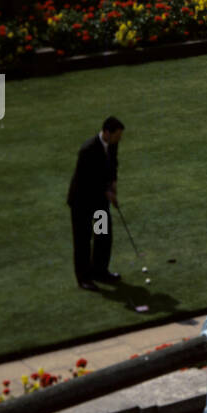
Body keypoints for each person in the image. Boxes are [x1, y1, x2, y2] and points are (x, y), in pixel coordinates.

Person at [67, 116, 125, 291]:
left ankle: (100, 271)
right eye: (117, 135)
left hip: (99, 202)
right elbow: (87, 180)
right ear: (107, 132)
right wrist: (107, 191)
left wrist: (113, 184)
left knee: (103, 235)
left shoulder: (112, 143)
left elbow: (112, 164)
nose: (119, 139)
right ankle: (84, 278)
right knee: (83, 240)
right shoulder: (88, 149)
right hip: (82, 202)